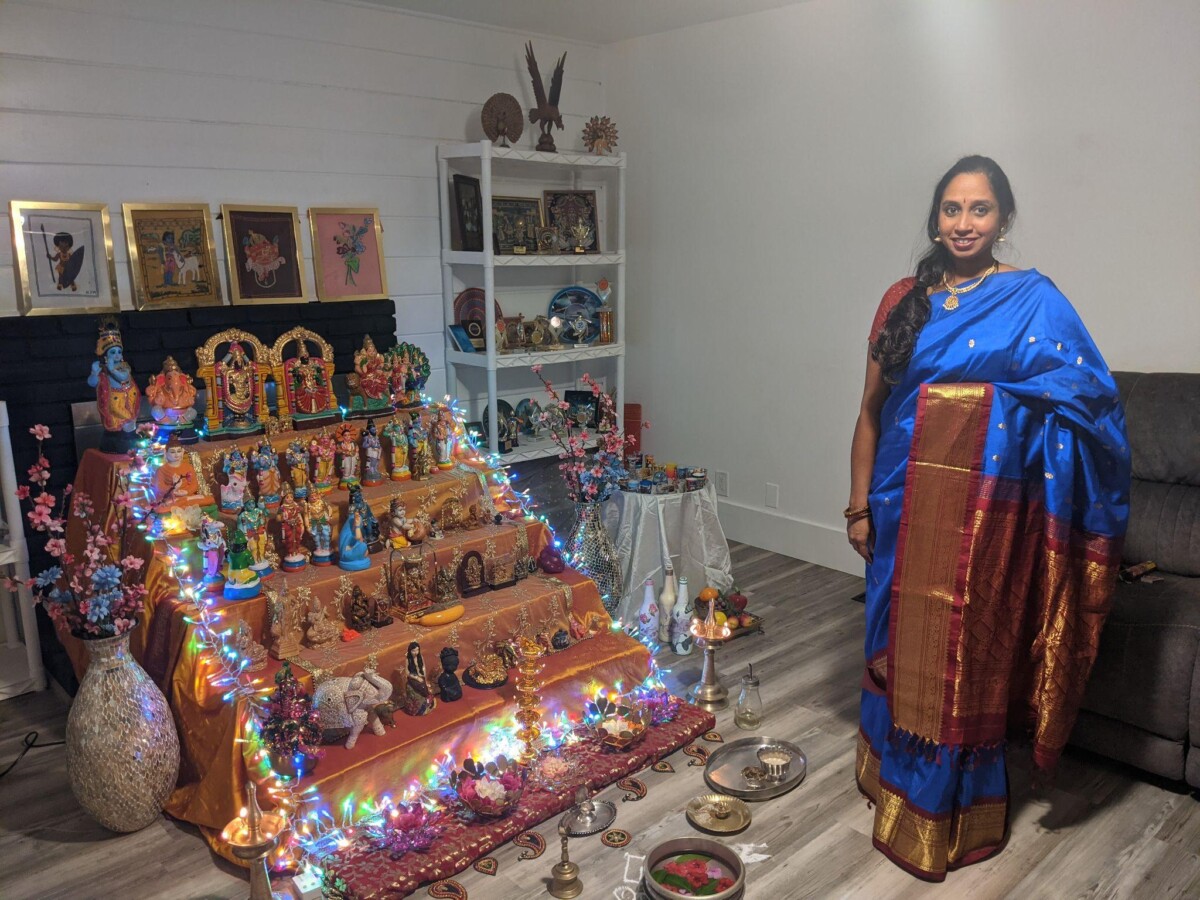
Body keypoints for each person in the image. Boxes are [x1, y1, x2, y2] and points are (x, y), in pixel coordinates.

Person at [848, 156, 1130, 881]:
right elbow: (872, 411)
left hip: (981, 519)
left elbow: (1090, 395)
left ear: (1003, 219)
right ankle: (889, 780)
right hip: (899, 501)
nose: (963, 223)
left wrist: (991, 404)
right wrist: (857, 504)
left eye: (978, 210)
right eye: (951, 209)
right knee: (893, 640)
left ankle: (947, 808)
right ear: (935, 219)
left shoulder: (1031, 299)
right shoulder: (901, 300)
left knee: (959, 659)